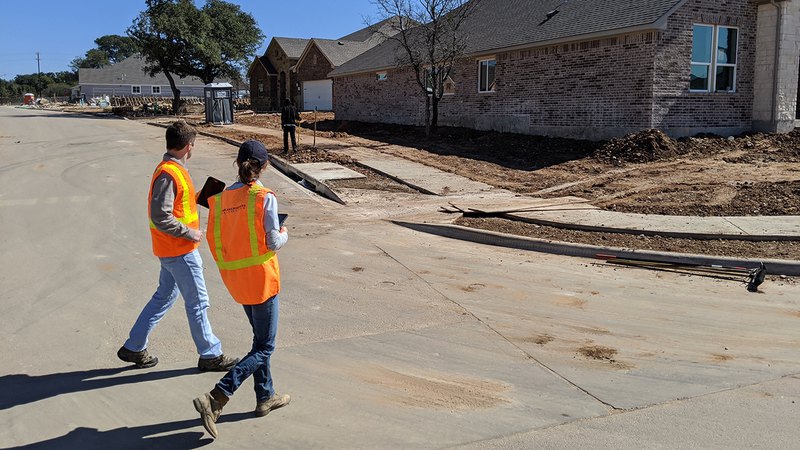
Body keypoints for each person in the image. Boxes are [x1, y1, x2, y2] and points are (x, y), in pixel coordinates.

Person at [117, 120, 238, 372]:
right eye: (193, 144)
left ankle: (134, 346)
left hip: (171, 250)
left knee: (164, 297)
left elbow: (175, 206)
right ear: (186, 146)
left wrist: (199, 198)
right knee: (198, 302)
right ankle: (210, 353)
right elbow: (160, 215)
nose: (193, 148)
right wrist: (190, 233)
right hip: (180, 250)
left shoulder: (173, 170)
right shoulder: (169, 174)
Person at [193, 140, 290, 439]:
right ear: (263, 167)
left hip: (237, 280)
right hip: (261, 280)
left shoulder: (219, 200)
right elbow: (273, 242)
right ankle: (217, 397)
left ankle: (265, 396)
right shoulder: (264, 197)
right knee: (265, 346)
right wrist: (286, 233)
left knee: (259, 341)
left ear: (237, 163)